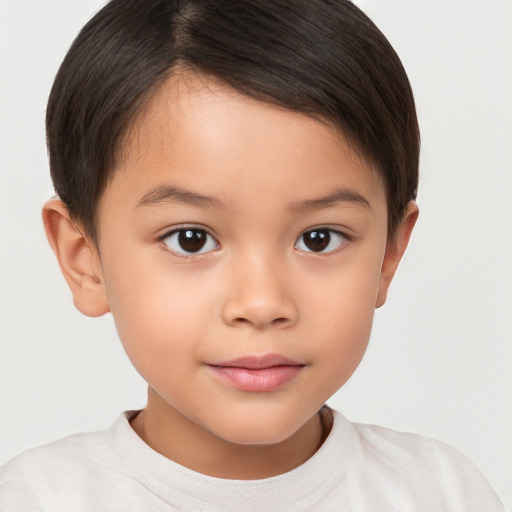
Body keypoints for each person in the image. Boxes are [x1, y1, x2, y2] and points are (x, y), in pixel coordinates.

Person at [0, 0, 505, 510]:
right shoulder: (35, 499)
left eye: (319, 238)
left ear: (389, 254)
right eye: (191, 239)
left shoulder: (442, 493)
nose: (262, 304)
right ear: (84, 258)